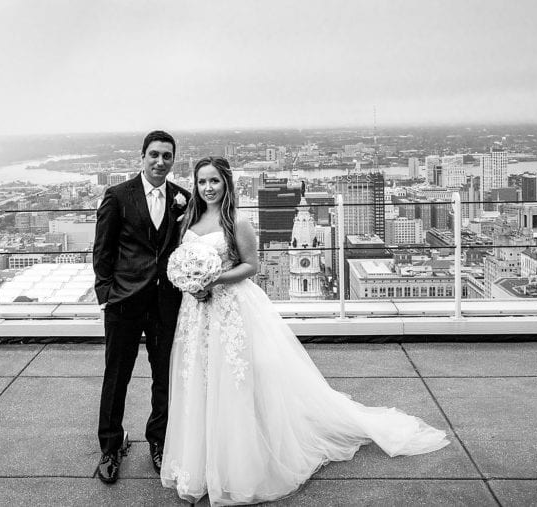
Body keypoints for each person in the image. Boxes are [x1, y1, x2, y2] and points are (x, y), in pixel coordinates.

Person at [161, 157, 449, 505]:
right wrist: (192, 284)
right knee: (201, 380)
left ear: (227, 184)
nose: (208, 188)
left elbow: (252, 266)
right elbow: (182, 262)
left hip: (229, 309)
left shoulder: (237, 221)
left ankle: (236, 466)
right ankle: (202, 462)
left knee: (233, 381)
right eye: (203, 181)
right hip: (196, 312)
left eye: (215, 182)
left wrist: (213, 278)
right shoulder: (189, 220)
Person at [93, 130, 190, 484]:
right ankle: (109, 446)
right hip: (124, 301)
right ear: (142, 156)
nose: (160, 162)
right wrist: (106, 294)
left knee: (164, 376)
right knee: (116, 374)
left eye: (167, 156)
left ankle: (159, 440)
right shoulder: (118, 196)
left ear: (173, 159)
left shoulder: (184, 198)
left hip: (166, 302)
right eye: (154, 155)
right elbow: (102, 250)